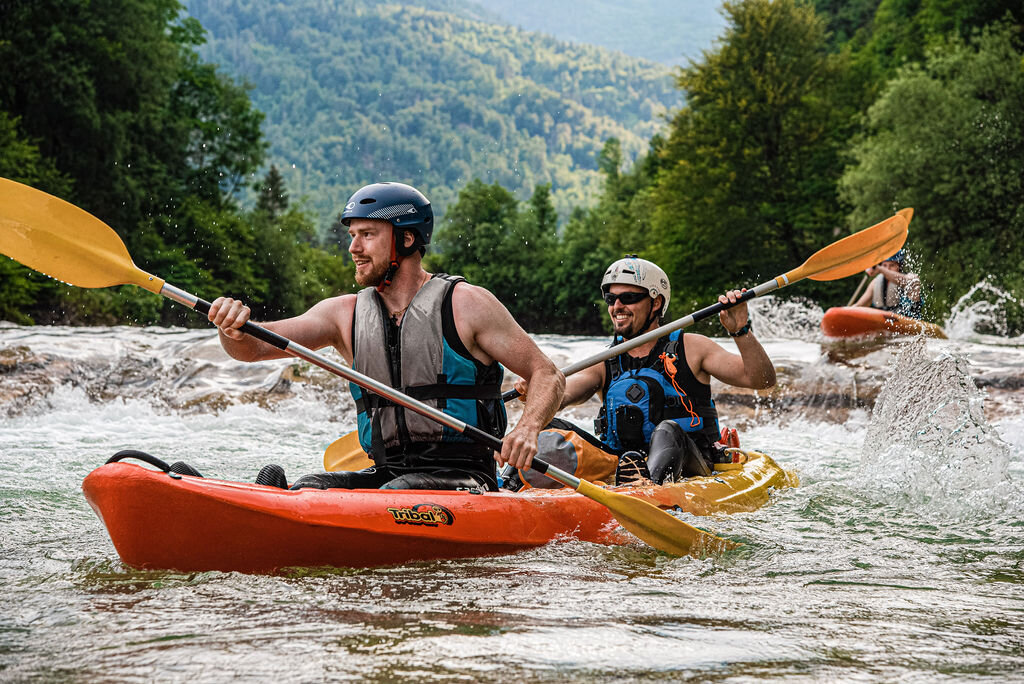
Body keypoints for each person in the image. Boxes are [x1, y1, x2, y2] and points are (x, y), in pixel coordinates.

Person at [207, 182, 564, 491]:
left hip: (466, 476)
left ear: (407, 239)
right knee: (312, 486)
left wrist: (527, 429)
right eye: (352, 236)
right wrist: (230, 327)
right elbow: (252, 348)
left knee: (396, 491)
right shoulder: (343, 314)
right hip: (387, 471)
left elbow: (547, 374)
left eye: (367, 235)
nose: (353, 248)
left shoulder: (466, 304)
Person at [511, 256, 776, 487]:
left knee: (668, 429)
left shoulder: (691, 347)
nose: (617, 306)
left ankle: (648, 487)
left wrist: (740, 331)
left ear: (656, 303)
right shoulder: (605, 360)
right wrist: (539, 389)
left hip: (691, 465)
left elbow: (761, 380)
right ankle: (507, 485)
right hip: (622, 467)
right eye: (611, 298)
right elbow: (564, 394)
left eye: (629, 298)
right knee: (544, 426)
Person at [851, 249, 923, 319]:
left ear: (899, 266)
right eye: (884, 265)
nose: (887, 269)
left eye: (892, 265)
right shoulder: (875, 283)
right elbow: (859, 305)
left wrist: (881, 269)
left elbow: (906, 282)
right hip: (883, 326)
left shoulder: (912, 279)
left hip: (907, 324)